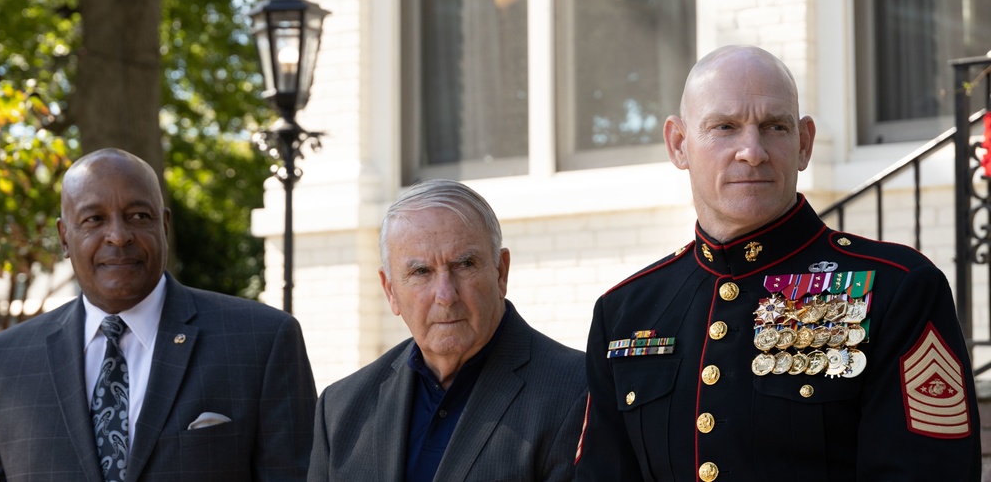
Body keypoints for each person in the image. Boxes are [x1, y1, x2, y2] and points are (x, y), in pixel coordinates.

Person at [573, 45, 982, 481]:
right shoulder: (625, 311)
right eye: (725, 127)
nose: (752, 151)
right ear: (679, 144)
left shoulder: (897, 288)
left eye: (774, 127)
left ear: (804, 143)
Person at [0, 148, 317, 481]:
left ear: (163, 224)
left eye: (138, 216)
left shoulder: (262, 341)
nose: (118, 236)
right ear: (63, 237)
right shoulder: (2, 363)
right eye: (94, 219)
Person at [308, 179, 587, 482]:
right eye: (421, 272)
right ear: (390, 290)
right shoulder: (340, 409)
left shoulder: (579, 390)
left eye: (464, 264)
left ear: (501, 273)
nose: (446, 294)